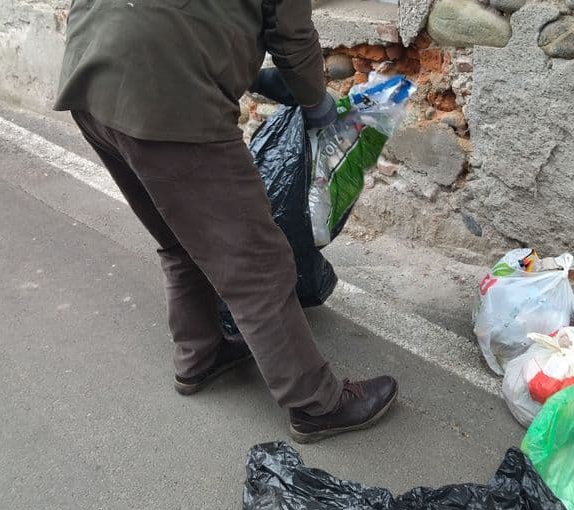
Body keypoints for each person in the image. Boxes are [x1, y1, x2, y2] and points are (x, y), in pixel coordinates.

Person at [53, 0, 397, 443]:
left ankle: (201, 354)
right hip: (168, 100)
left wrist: (251, 75)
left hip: (91, 77)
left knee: (179, 237)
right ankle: (316, 404)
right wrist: (314, 100)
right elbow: (292, 37)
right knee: (257, 263)